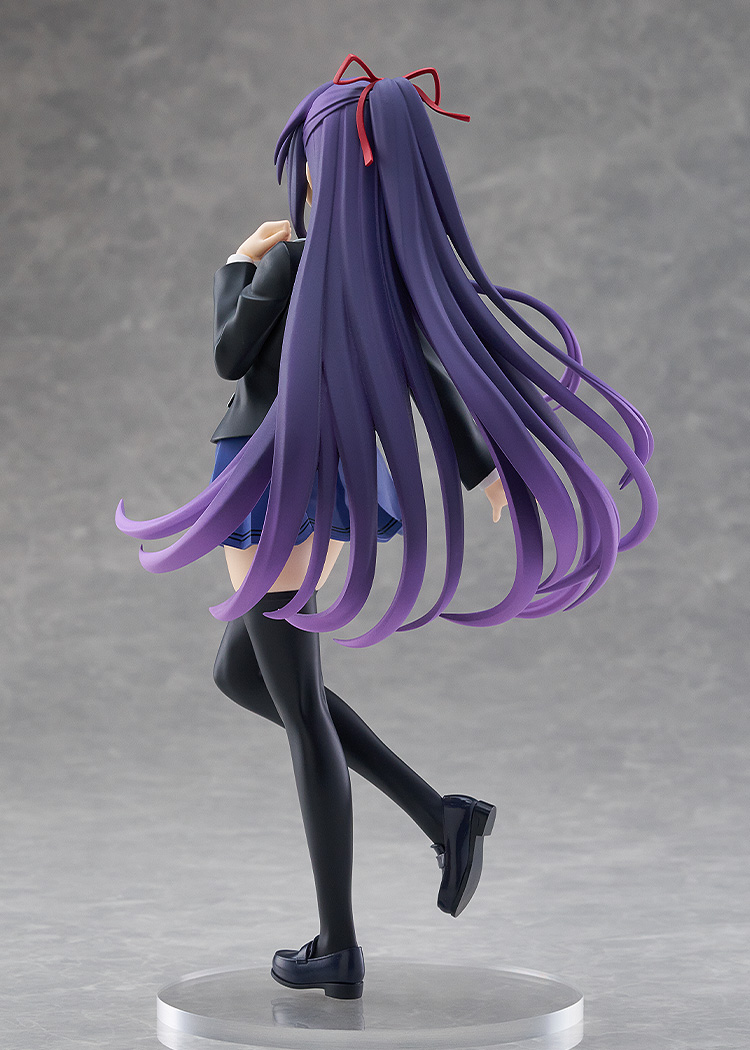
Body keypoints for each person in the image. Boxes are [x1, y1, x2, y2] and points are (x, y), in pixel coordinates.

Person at [116, 55, 657, 999]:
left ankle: (339, 943)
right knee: (244, 673)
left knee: (298, 709)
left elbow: (229, 355)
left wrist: (238, 264)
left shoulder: (291, 262)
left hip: (268, 478)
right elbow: (434, 378)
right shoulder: (374, 281)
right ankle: (439, 814)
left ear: (322, 169)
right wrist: (482, 470)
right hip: (320, 481)